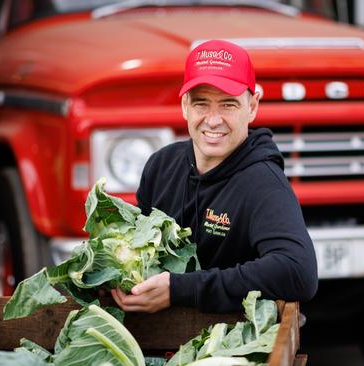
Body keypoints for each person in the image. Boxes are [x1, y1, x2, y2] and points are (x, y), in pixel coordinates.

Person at [111, 39, 318, 313]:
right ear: (185, 105)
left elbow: (298, 271)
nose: (212, 120)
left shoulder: (263, 183)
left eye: (228, 105)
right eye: (201, 104)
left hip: (226, 342)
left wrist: (180, 289)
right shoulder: (161, 166)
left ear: (252, 106)